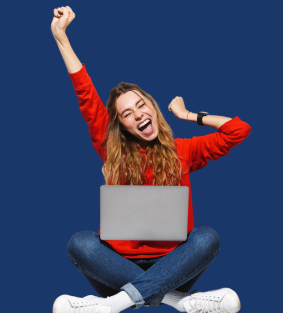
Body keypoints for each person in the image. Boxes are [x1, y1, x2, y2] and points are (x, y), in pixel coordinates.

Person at [51, 6, 251, 313]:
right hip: (115, 265)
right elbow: (85, 92)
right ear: (122, 125)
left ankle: (110, 305)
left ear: (152, 107)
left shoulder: (183, 151)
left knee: (206, 238)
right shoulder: (110, 148)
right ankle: (179, 301)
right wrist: (61, 36)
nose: (137, 114)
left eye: (140, 105)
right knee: (80, 243)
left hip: (175, 264)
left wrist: (189, 115)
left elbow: (238, 130)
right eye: (127, 114)